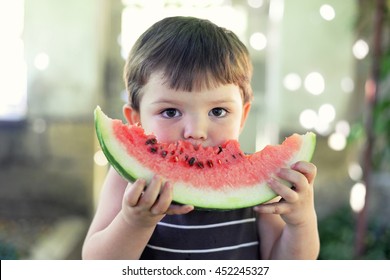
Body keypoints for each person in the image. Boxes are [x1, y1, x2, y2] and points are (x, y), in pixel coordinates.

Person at [82, 16, 319, 260]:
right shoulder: (127, 180)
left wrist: (301, 222)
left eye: (218, 111)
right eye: (170, 112)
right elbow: (95, 263)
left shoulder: (264, 185)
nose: (196, 131)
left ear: (242, 116)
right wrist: (134, 222)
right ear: (136, 121)